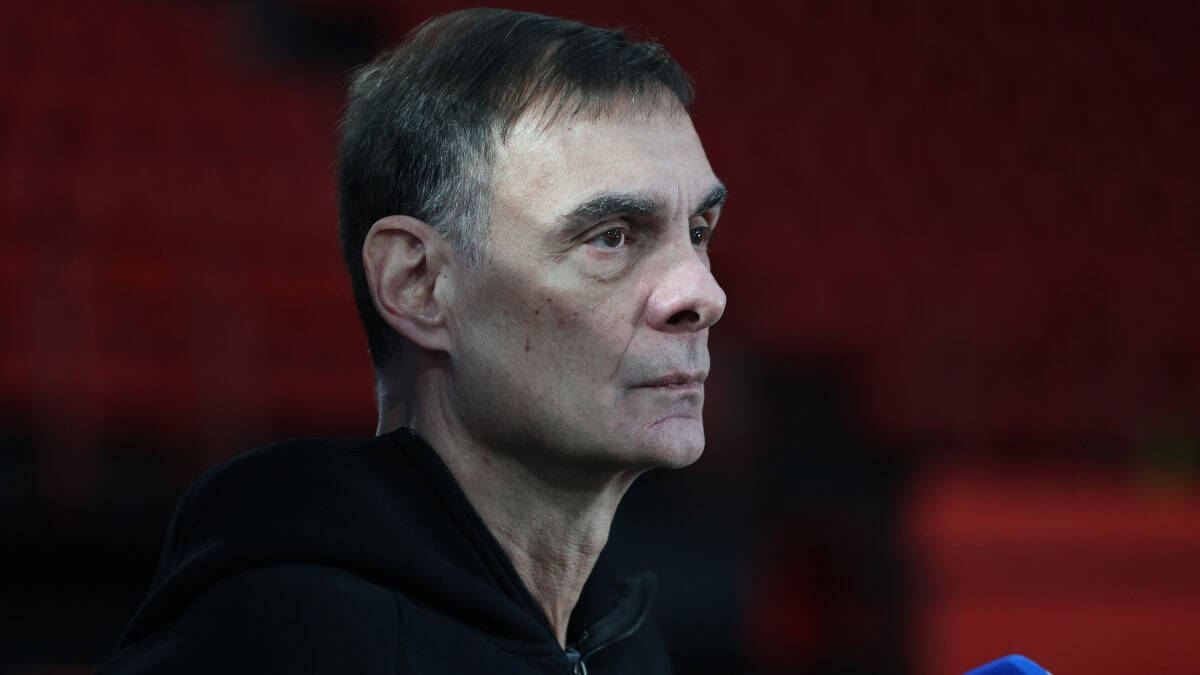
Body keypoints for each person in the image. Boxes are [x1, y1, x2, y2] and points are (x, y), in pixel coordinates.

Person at [99, 7, 726, 673]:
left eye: (699, 231)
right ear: (418, 284)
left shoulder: (628, 644)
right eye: (612, 236)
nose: (704, 294)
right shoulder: (281, 644)